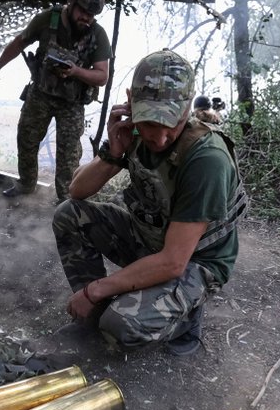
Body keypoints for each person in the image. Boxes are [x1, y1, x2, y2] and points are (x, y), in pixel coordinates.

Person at [53, 50, 249, 356]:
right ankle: (99, 311)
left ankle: (185, 318)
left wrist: (95, 289)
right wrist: (113, 154)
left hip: (194, 261)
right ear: (130, 101)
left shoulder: (206, 158)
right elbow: (76, 192)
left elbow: (173, 261)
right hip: (150, 238)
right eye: (149, 122)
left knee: (120, 326)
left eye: (171, 122)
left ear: (188, 106)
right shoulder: (130, 131)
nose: (158, 138)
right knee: (69, 216)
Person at [0, 0, 111, 202]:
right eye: (82, 12)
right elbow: (19, 43)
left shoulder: (97, 34)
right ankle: (25, 185)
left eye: (91, 16)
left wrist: (75, 71)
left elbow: (102, 76)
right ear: (70, 2)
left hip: (72, 103)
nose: (86, 19)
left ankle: (66, 200)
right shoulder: (47, 19)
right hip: (41, 94)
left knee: (69, 154)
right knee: (26, 139)